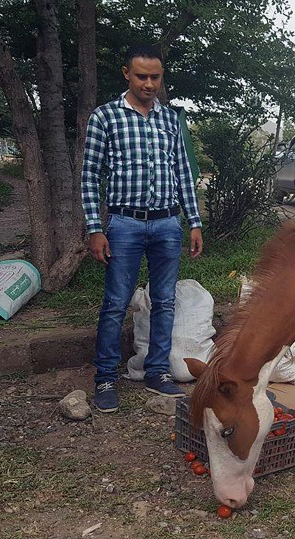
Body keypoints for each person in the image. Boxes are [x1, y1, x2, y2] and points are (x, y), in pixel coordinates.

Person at [81, 44, 203, 412]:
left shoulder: (169, 120)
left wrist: (194, 221)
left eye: (155, 77)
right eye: (141, 76)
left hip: (167, 223)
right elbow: (89, 176)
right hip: (124, 224)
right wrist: (94, 228)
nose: (149, 83)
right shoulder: (106, 117)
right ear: (126, 74)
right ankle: (105, 379)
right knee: (116, 303)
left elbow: (183, 172)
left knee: (165, 301)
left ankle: (157, 373)